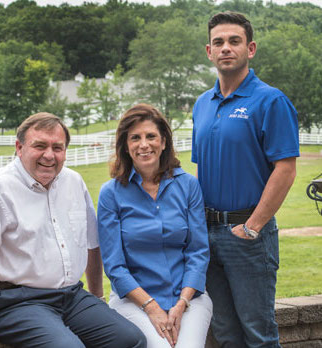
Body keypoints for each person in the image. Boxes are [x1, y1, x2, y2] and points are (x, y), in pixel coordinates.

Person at [0, 112, 147, 348]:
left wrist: (97, 298)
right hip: (11, 302)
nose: (49, 155)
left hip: (70, 296)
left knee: (131, 340)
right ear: (19, 147)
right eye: (40, 146)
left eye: (57, 147)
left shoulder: (73, 182)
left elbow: (91, 245)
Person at [192, 11, 299, 348]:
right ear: (209, 51)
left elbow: (285, 168)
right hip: (207, 236)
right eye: (218, 42)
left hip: (248, 235)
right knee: (225, 333)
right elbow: (202, 169)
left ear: (250, 48)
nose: (226, 48)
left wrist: (252, 226)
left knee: (258, 334)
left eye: (234, 41)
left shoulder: (270, 100)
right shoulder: (202, 105)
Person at [98, 103, 212, 348]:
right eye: (135, 138)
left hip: (189, 299)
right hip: (133, 301)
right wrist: (151, 307)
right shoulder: (111, 194)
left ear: (163, 142)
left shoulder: (189, 186)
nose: (144, 144)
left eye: (151, 136)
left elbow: (198, 252)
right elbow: (115, 267)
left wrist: (181, 304)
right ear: (125, 146)